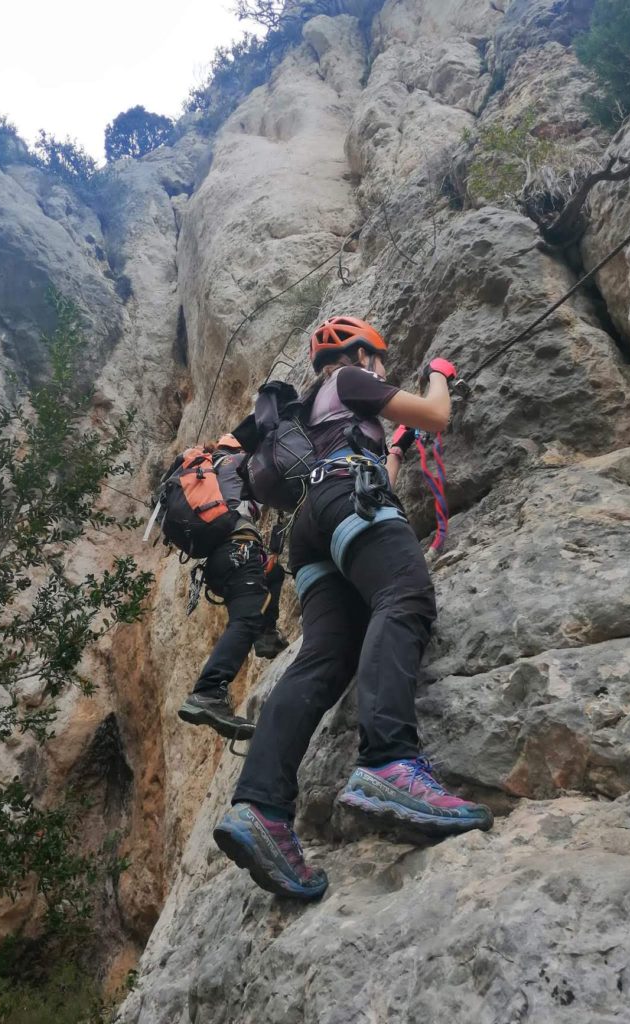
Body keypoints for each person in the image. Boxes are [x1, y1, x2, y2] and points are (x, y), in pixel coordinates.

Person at [212, 317, 494, 900]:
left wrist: (392, 448)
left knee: (323, 657)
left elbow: (363, 469)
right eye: (381, 361)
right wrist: (439, 373)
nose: (383, 370)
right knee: (404, 593)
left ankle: (260, 807)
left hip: (310, 529)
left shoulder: (314, 408)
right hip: (347, 501)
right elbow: (437, 414)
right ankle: (391, 762)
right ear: (363, 353)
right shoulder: (352, 381)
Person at [178, 434, 288, 742]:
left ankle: (266, 637)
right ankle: (209, 691)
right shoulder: (238, 463)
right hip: (239, 550)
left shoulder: (211, 471)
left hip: (220, 560)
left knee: (273, 574)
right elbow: (279, 469)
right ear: (239, 449)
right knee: (246, 617)